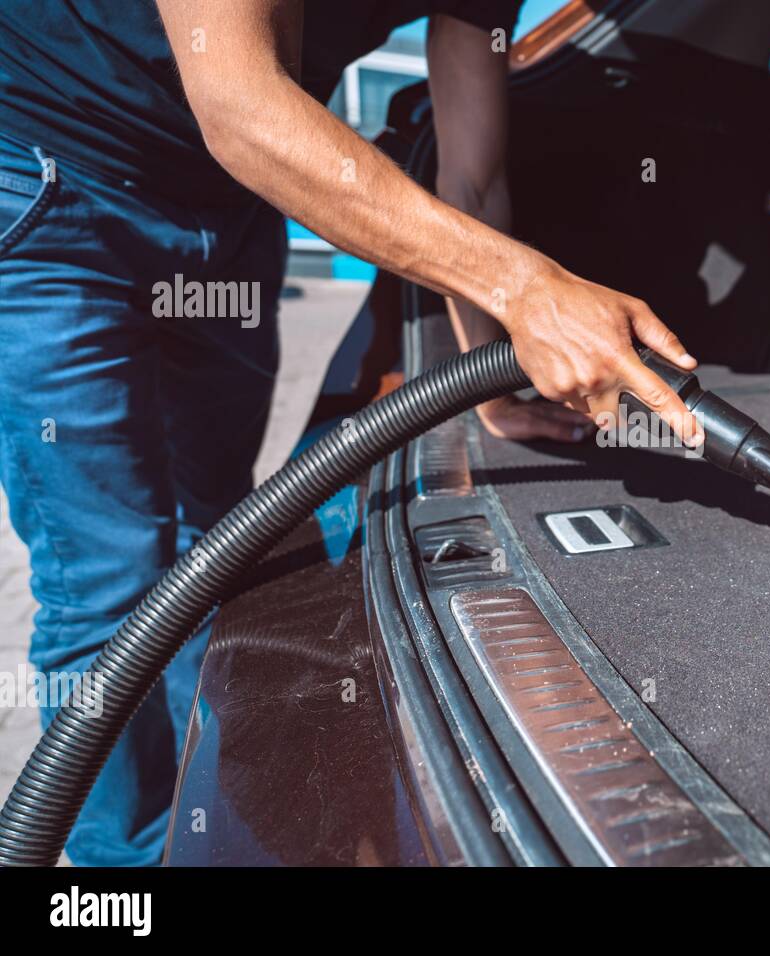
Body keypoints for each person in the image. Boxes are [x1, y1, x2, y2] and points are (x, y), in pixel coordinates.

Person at [0, 0, 701, 865]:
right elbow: (243, 105)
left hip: (232, 213)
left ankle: (191, 822)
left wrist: (485, 372)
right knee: (109, 575)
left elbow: (472, 179)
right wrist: (528, 292)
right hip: (56, 183)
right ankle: (124, 879)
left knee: (209, 542)